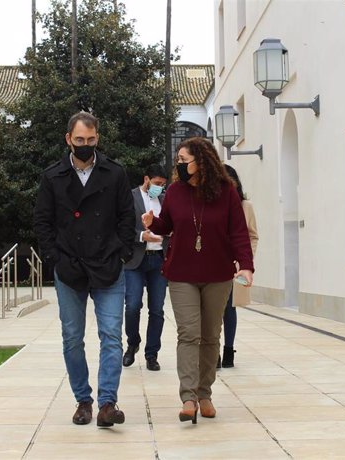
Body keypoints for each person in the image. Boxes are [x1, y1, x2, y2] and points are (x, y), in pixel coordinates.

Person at [141, 137, 254, 424]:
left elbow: (239, 232)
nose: (179, 164)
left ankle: (205, 394)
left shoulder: (226, 192)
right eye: (177, 159)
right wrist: (152, 222)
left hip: (218, 274)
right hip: (181, 273)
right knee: (188, 334)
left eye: (183, 159)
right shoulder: (175, 192)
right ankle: (188, 397)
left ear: (201, 160)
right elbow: (168, 224)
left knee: (211, 335)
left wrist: (246, 266)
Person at [34, 111, 135, 427]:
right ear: (68, 139)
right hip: (70, 268)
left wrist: (121, 253)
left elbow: (126, 218)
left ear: (98, 139)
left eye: (91, 140)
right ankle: (83, 400)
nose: (85, 145)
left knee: (111, 336)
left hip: (107, 265)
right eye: (80, 140)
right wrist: (55, 258)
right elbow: (42, 223)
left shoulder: (115, 174)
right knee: (72, 337)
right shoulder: (52, 177)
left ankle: (107, 403)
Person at [123, 164, 168, 371]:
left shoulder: (165, 200)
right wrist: (142, 235)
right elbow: (121, 227)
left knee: (157, 310)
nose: (160, 188)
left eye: (163, 185)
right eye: (157, 184)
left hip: (159, 259)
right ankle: (133, 342)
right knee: (132, 306)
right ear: (146, 179)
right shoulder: (129, 196)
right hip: (135, 260)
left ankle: (152, 354)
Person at [218, 164, 259, 368]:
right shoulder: (213, 204)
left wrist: (245, 261)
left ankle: (228, 350)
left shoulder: (245, 206)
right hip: (215, 262)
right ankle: (213, 351)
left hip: (236, 265)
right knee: (212, 308)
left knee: (229, 307)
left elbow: (252, 235)